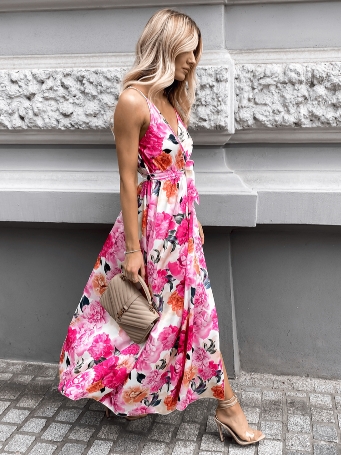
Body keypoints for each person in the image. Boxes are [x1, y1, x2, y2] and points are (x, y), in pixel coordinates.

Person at [58, 9, 264, 446]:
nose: (193, 63)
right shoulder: (134, 101)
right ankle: (227, 405)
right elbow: (128, 179)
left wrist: (196, 217)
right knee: (162, 320)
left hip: (183, 230)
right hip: (153, 234)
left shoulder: (172, 101)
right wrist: (133, 250)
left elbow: (183, 168)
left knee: (186, 320)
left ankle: (146, 395)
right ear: (167, 48)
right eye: (189, 54)